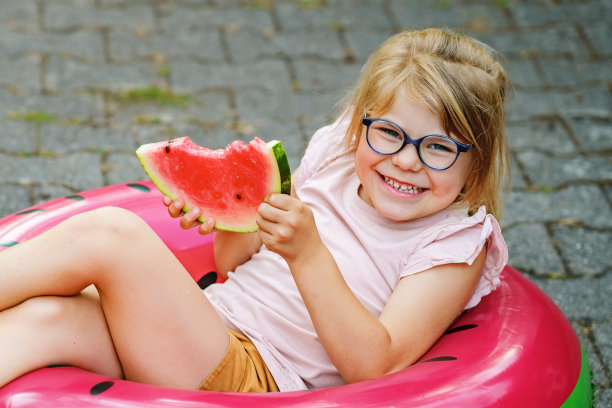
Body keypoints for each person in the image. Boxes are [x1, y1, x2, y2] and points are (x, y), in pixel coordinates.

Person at [0, 28, 509, 392]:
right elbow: (234, 267)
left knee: (113, 235)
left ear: (477, 161)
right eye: (390, 133)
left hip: (257, 380)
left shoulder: (453, 242)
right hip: (208, 327)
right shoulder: (335, 162)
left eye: (439, 148)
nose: (405, 161)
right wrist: (229, 220)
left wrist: (309, 255)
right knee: (47, 317)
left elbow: (374, 367)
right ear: (361, 124)